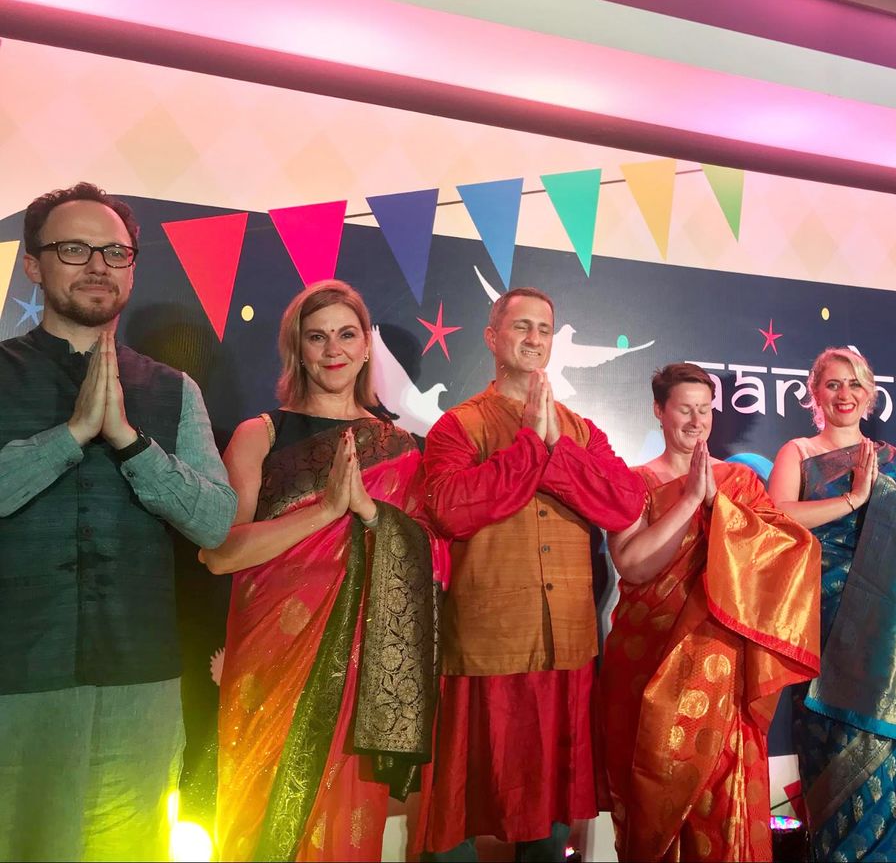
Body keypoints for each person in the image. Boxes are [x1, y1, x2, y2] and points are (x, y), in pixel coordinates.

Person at [0, 182, 236, 860]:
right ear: (35, 264)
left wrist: (130, 442)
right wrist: (72, 434)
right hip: (16, 674)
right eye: (74, 249)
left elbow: (215, 522)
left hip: (141, 678)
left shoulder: (172, 388)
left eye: (116, 252)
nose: (98, 265)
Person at [206, 280, 438, 862]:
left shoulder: (402, 448)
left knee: (346, 827)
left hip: (363, 663)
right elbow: (221, 553)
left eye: (346, 334)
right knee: (254, 815)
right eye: (317, 337)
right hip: (269, 657)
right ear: (297, 349)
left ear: (366, 348)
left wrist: (370, 513)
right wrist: (329, 513)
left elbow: (435, 561)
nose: (332, 349)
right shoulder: (261, 434)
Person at [414, 287, 646, 861]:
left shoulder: (581, 428)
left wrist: (556, 449)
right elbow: (448, 508)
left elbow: (624, 503)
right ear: (493, 338)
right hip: (487, 643)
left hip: (565, 644)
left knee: (550, 821)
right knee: (459, 813)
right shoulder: (458, 426)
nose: (534, 338)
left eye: (543, 328)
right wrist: (528, 449)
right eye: (520, 326)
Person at [600, 363, 821, 861]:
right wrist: (691, 502)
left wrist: (724, 507)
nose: (696, 420)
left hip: (721, 664)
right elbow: (632, 565)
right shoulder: (633, 482)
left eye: (705, 409)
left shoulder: (740, 481)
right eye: (684, 409)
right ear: (659, 411)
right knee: (650, 796)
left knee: (719, 805)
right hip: (647, 658)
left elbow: (787, 555)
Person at [769, 347, 896, 862]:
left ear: (870, 394)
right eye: (833, 384)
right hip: (824, 629)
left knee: (886, 762)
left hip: (885, 637)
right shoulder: (799, 452)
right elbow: (776, 518)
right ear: (814, 393)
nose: (844, 394)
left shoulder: (894, 463)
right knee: (831, 759)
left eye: (855, 384)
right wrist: (854, 500)